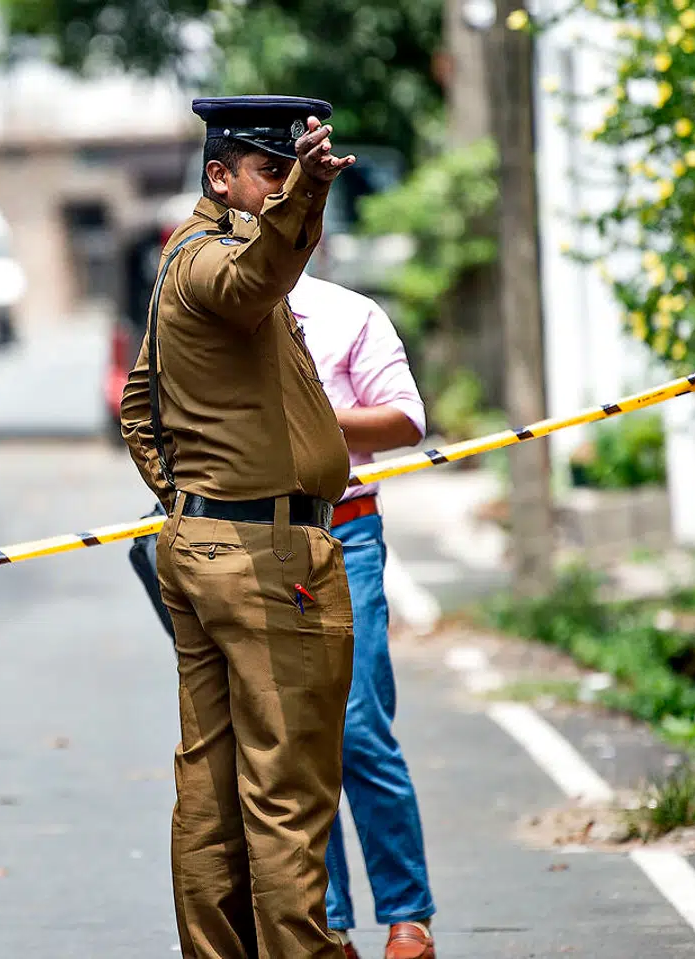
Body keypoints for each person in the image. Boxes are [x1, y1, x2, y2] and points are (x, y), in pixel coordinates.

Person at [120, 96, 357, 959]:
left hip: (214, 541)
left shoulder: (188, 264)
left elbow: (139, 405)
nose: (283, 189)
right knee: (287, 793)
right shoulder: (213, 261)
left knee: (215, 792)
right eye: (270, 171)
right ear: (219, 177)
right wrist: (305, 199)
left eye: (288, 172)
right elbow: (254, 277)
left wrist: (189, 499)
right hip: (263, 555)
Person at [290, 271, 436, 959]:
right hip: (251, 542)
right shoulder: (209, 309)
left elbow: (407, 420)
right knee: (290, 736)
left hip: (344, 531)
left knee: (356, 724)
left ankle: (408, 913)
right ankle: (331, 922)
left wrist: (307, 413)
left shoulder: (347, 313)